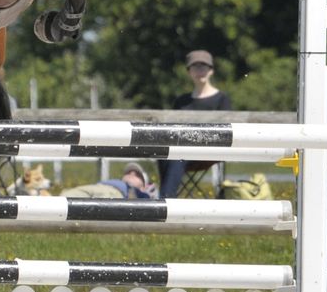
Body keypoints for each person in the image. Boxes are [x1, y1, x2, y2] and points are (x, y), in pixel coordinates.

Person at [157, 49, 233, 198]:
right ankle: (164, 198)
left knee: (178, 154)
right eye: (195, 66)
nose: (200, 70)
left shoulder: (222, 99)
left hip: (211, 150)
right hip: (182, 150)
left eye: (203, 66)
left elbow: (227, 130)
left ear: (211, 70)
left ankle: (166, 199)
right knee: (163, 152)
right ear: (189, 71)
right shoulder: (181, 101)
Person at [61, 161, 152, 199]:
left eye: (137, 175)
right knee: (66, 196)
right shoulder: (119, 184)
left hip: (114, 194)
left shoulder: (141, 194)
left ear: (143, 187)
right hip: (98, 187)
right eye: (128, 173)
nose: (131, 174)